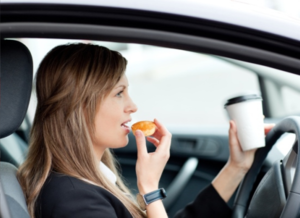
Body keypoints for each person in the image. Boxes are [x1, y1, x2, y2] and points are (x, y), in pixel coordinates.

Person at [17, 43, 274, 218]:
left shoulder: (86, 181)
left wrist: (237, 167)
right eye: (119, 93)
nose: (133, 106)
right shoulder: (74, 201)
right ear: (79, 107)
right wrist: (149, 188)